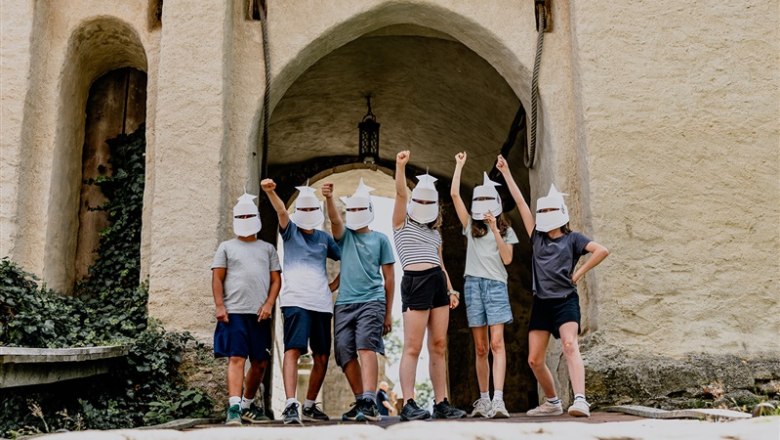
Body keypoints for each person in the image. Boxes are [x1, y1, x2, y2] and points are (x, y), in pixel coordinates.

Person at [496, 155, 609, 418]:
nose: (545, 215)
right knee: (534, 360)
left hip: (565, 300)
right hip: (542, 303)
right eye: (542, 211)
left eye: (550, 210)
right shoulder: (537, 237)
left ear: (561, 212)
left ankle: (580, 400)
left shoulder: (573, 239)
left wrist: (578, 272)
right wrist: (506, 173)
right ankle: (552, 401)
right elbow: (522, 203)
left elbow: (601, 250)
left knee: (570, 345)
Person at [392, 150, 467, 421]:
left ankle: (441, 402)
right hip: (415, 282)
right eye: (420, 199)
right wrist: (400, 167)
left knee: (438, 344)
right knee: (412, 346)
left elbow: (441, 262)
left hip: (437, 282)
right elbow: (401, 194)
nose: (423, 203)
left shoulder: (434, 233)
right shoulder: (400, 223)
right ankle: (409, 402)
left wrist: (451, 289)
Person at [261, 179, 341, 424]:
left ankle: (308, 405)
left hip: (321, 303)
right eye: (303, 209)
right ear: (298, 213)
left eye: (310, 209)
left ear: (317, 212)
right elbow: (281, 211)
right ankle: (290, 404)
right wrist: (271, 192)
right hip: (295, 300)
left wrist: (333, 285)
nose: (306, 213)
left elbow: (345, 255)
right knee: (293, 351)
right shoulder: (291, 231)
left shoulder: (324, 238)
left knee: (322, 356)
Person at [450, 152, 519, 418]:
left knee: (497, 343)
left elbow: (508, 258)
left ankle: (499, 399)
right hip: (473, 286)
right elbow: (455, 196)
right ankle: (483, 399)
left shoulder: (506, 229)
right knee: (480, 347)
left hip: (496, 285)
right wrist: (459, 166)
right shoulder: (469, 225)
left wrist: (494, 229)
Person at [322, 179, 395, 422]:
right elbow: (334, 220)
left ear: (369, 211)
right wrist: (330, 198)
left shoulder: (381, 240)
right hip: (344, 303)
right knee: (343, 351)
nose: (354, 213)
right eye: (351, 209)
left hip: (372, 301)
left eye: (358, 209)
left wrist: (387, 313)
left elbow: (389, 278)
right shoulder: (345, 238)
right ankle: (361, 399)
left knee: (366, 347)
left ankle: (368, 400)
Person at [211, 192, 281, 425]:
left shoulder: (267, 249)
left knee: (260, 362)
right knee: (237, 357)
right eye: (241, 215)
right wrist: (220, 305)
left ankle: (247, 406)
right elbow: (217, 278)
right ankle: (233, 409)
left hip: (260, 314)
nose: (245, 218)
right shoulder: (226, 247)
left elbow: (276, 280)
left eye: (249, 215)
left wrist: (269, 304)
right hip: (234, 312)